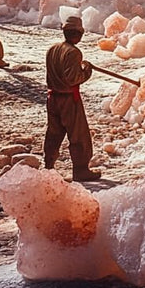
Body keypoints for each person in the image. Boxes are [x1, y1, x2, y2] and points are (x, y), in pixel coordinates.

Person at [43, 15, 101, 182]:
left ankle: (48, 166)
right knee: (78, 135)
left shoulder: (53, 49)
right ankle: (81, 170)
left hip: (52, 98)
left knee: (54, 132)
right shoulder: (73, 52)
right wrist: (86, 71)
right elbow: (72, 79)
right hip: (68, 99)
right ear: (77, 34)